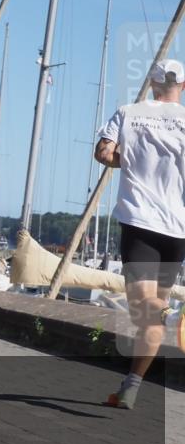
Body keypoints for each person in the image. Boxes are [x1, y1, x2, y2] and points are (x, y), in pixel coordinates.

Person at [95, 60, 185, 409]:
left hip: (140, 221)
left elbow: (103, 152)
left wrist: (128, 159)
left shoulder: (127, 112)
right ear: (183, 86)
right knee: (151, 313)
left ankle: (175, 316)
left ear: (151, 83)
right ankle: (129, 388)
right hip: (177, 228)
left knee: (144, 306)